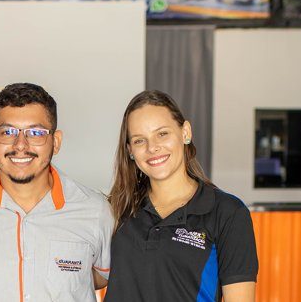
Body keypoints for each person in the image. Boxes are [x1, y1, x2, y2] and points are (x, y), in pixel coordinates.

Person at [0, 83, 113, 301]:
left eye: (36, 133)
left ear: (56, 142)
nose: (21, 145)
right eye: (8, 132)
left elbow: (103, 276)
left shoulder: (95, 210)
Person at [105, 90, 258, 302]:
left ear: (185, 132)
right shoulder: (117, 209)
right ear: (130, 150)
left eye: (162, 134)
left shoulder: (227, 212)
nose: (152, 147)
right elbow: (88, 275)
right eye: (139, 140)